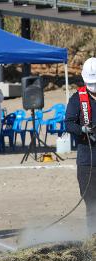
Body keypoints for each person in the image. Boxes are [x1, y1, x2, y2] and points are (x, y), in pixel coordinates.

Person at [65, 57, 96, 236]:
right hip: (87, 161)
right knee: (92, 204)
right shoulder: (77, 99)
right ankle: (93, 240)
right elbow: (68, 123)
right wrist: (82, 129)